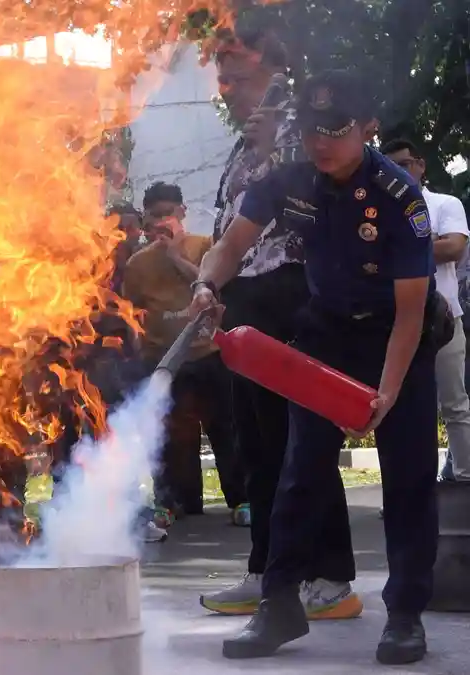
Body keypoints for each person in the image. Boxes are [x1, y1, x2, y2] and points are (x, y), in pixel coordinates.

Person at [191, 70, 439, 665]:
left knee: (408, 482)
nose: (320, 142)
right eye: (310, 130)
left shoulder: (401, 199)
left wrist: (385, 395)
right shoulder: (290, 180)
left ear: (367, 129)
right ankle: (278, 606)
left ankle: (404, 615)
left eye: (335, 129)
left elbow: (409, 315)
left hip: (397, 340)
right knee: (299, 472)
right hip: (325, 333)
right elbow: (231, 244)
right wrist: (205, 284)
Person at [199, 24, 361, 621]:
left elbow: (328, 200)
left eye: (238, 78)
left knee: (303, 438)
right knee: (256, 441)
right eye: (222, 81)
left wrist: (275, 149)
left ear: (273, 75)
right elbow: (234, 226)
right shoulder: (243, 143)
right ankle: (267, 569)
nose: (228, 90)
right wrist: (210, 284)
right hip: (248, 298)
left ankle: (331, 576)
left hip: (298, 292)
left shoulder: (306, 130)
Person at [123, 182, 247, 521]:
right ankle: (175, 502)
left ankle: (241, 500)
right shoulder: (137, 265)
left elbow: (218, 289)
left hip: (208, 353)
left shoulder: (206, 247)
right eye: (156, 216)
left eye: (170, 213)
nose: (164, 222)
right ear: (145, 222)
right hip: (164, 359)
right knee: (170, 435)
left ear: (183, 213)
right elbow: (132, 314)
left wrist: (178, 258)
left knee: (226, 428)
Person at [382, 139, 470, 481]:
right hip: (392, 321)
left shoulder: (444, 204)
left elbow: (453, 248)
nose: (396, 172)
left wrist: (398, 249)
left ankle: (464, 480)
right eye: (388, 165)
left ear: (420, 165)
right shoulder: (379, 208)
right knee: (400, 407)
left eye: (403, 164)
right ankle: (409, 487)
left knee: (454, 403)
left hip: (442, 320)